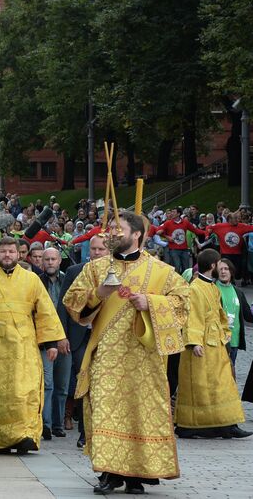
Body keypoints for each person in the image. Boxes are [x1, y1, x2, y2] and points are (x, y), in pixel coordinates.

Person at [64, 211, 189, 494]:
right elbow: (72, 303)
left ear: (136, 235)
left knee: (140, 413)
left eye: (118, 230)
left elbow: (183, 305)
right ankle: (110, 472)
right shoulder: (95, 268)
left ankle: (137, 475)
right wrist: (99, 294)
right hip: (105, 355)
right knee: (106, 410)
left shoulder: (161, 271)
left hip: (144, 357)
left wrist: (151, 303)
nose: (111, 234)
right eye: (109, 230)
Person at [0, 236, 65, 455]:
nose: (7, 255)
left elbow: (45, 311)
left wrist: (50, 344)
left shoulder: (31, 279)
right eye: (3, 252)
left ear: (19, 254)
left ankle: (24, 436)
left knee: (24, 390)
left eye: (11, 251)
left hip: (24, 343)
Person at [174, 249, 251, 439]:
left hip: (215, 343)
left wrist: (224, 332)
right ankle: (196, 424)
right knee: (201, 386)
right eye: (219, 264)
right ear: (212, 266)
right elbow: (193, 317)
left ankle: (226, 423)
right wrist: (194, 342)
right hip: (201, 345)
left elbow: (219, 314)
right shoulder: (195, 288)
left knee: (221, 384)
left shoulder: (211, 286)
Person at [57, 234, 108, 448]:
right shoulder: (74, 271)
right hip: (79, 336)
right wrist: (62, 336)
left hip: (104, 336)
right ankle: (84, 432)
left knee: (102, 384)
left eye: (101, 250)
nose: (95, 253)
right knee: (82, 382)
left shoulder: (116, 274)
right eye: (93, 249)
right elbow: (63, 306)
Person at [39, 247, 71, 441]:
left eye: (53, 259)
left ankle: (59, 424)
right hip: (45, 340)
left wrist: (64, 337)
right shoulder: (36, 280)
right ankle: (46, 425)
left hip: (65, 339)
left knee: (62, 385)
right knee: (47, 383)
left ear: (60, 261)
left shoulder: (68, 280)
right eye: (47, 259)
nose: (50, 262)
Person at [214, 258, 252, 368]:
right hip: (217, 341)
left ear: (231, 272)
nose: (223, 271)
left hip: (233, 341)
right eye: (220, 269)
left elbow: (248, 315)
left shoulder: (238, 292)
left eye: (226, 269)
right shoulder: (212, 289)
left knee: (230, 374)